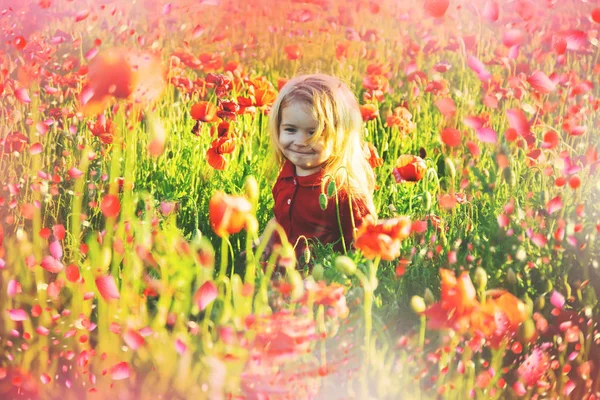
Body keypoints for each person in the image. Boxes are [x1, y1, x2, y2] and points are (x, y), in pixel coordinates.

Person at [260, 73, 377, 269]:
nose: (300, 142)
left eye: (313, 132)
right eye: (290, 130)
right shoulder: (287, 173)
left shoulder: (344, 193)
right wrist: (262, 244)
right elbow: (279, 220)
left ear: (341, 136)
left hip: (320, 284)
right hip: (280, 274)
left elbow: (363, 248)